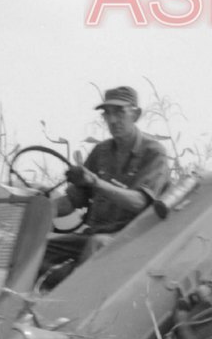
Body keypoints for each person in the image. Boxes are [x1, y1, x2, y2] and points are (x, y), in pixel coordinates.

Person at [59, 86, 171, 234]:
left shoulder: (154, 153)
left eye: (119, 112)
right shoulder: (101, 152)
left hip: (129, 239)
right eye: (107, 113)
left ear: (135, 115)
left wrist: (96, 183)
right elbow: (75, 199)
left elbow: (140, 202)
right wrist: (40, 206)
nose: (112, 120)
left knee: (96, 243)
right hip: (93, 234)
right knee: (43, 249)